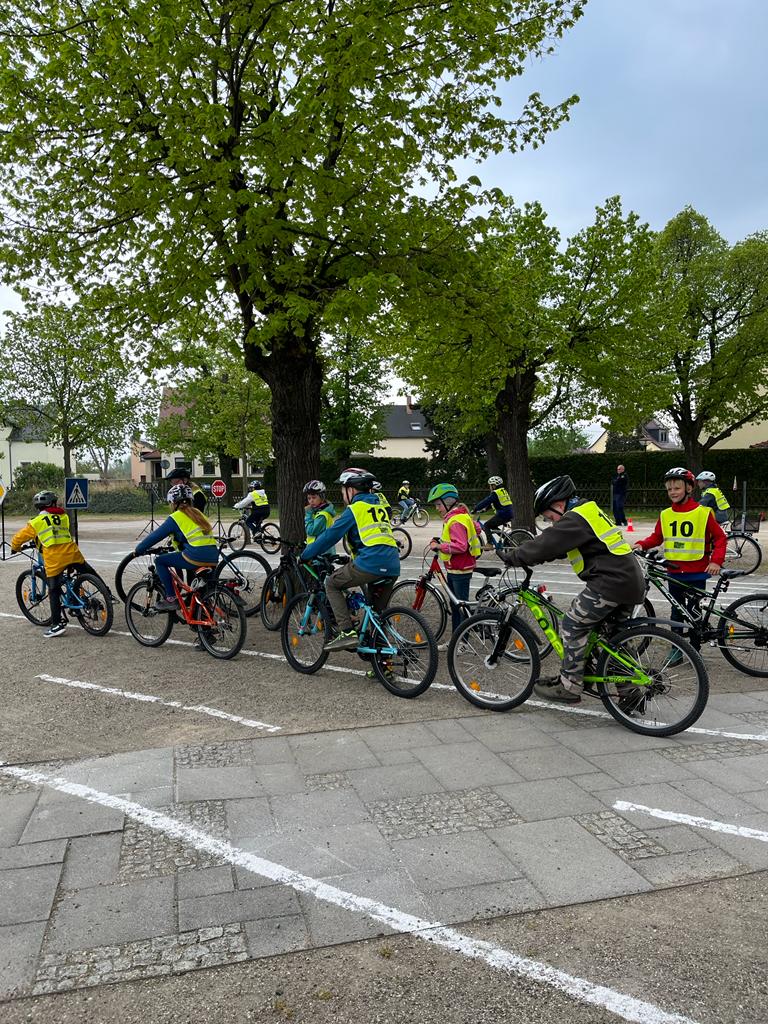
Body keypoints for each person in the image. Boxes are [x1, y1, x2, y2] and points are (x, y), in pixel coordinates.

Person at [503, 476, 645, 704]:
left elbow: (548, 543)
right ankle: (630, 693)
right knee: (615, 637)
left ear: (558, 504)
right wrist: (533, 556)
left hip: (610, 584)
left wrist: (514, 556)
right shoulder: (587, 512)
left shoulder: (575, 517)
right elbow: (559, 547)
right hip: (629, 582)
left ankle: (570, 685)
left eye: (549, 516)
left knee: (572, 623)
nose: (550, 522)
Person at [300, 468, 400, 651]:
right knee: (377, 614)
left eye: (343, 489)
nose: (342, 494)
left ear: (351, 490)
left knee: (331, 583)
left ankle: (346, 632)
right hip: (393, 564)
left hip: (370, 564)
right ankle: (383, 659)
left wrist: (306, 555)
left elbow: (330, 536)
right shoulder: (379, 507)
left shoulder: (355, 509)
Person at [633, 468, 726, 659]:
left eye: (677, 488)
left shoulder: (703, 513)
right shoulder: (666, 514)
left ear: (689, 488)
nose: (673, 492)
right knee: (676, 611)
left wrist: (716, 561)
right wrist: (641, 544)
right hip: (674, 572)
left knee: (694, 611)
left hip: (697, 572)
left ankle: (694, 649)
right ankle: (676, 649)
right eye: (669, 489)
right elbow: (657, 537)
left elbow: (720, 538)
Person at [11, 490, 104, 638]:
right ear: (53, 503)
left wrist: (15, 548)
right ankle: (106, 592)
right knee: (87, 570)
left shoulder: (36, 522)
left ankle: (57, 625)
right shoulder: (64, 516)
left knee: (53, 590)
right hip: (72, 553)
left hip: (55, 560)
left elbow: (18, 538)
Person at [134, 483, 219, 611]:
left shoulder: (176, 517)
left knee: (160, 561)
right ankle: (201, 616)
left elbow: (155, 536)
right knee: (201, 592)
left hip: (196, 556)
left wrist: (139, 550)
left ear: (173, 503)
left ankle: (171, 598)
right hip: (213, 556)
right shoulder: (198, 513)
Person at [427, 483, 481, 640]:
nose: (437, 508)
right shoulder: (461, 516)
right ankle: (456, 639)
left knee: (461, 607)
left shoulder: (455, 520)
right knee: (456, 605)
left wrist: (439, 546)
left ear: (448, 503)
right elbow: (477, 528)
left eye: (438, 504)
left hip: (459, 569)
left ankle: (462, 642)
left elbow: (460, 546)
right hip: (457, 568)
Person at [472, 475, 514, 550]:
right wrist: (485, 510)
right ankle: (507, 539)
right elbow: (495, 503)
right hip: (508, 513)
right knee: (493, 526)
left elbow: (486, 501)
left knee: (487, 525)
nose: (490, 487)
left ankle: (489, 544)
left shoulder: (495, 493)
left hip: (503, 514)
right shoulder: (502, 491)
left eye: (490, 485)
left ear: (494, 485)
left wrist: (475, 508)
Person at [303, 480, 336, 554]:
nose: (311, 501)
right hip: (319, 550)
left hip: (322, 552)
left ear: (322, 497)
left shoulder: (322, 515)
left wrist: (308, 514)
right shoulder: (317, 512)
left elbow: (311, 531)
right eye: (309, 498)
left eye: (314, 497)